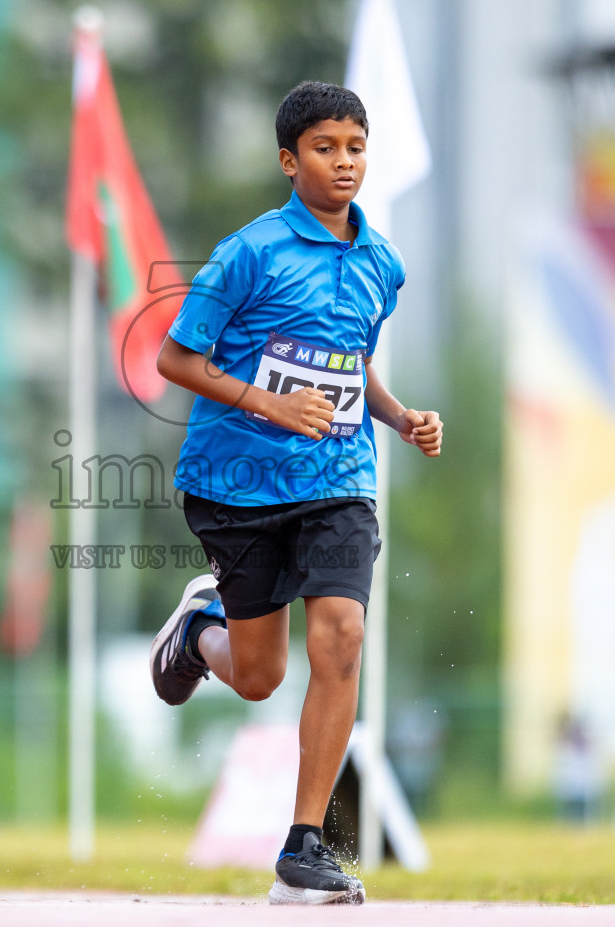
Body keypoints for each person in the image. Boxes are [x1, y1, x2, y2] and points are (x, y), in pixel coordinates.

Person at [149, 81, 442, 905]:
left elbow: (351, 362)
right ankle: (195, 630)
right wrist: (270, 403)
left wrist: (400, 415)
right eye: (325, 148)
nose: (343, 162)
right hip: (236, 482)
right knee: (258, 677)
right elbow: (175, 360)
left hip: (338, 481)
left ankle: (304, 847)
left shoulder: (383, 263)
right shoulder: (249, 253)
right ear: (289, 160)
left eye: (354, 147)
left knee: (342, 635)